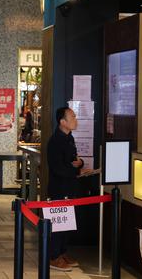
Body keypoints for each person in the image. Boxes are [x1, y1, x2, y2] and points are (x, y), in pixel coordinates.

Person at [46, 106, 83, 272]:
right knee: (59, 223)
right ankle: (54, 257)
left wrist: (79, 164)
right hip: (59, 188)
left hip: (71, 185)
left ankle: (62, 252)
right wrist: (75, 170)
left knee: (68, 223)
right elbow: (57, 168)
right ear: (62, 122)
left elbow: (73, 160)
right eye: (72, 117)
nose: (76, 120)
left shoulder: (70, 138)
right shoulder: (55, 141)